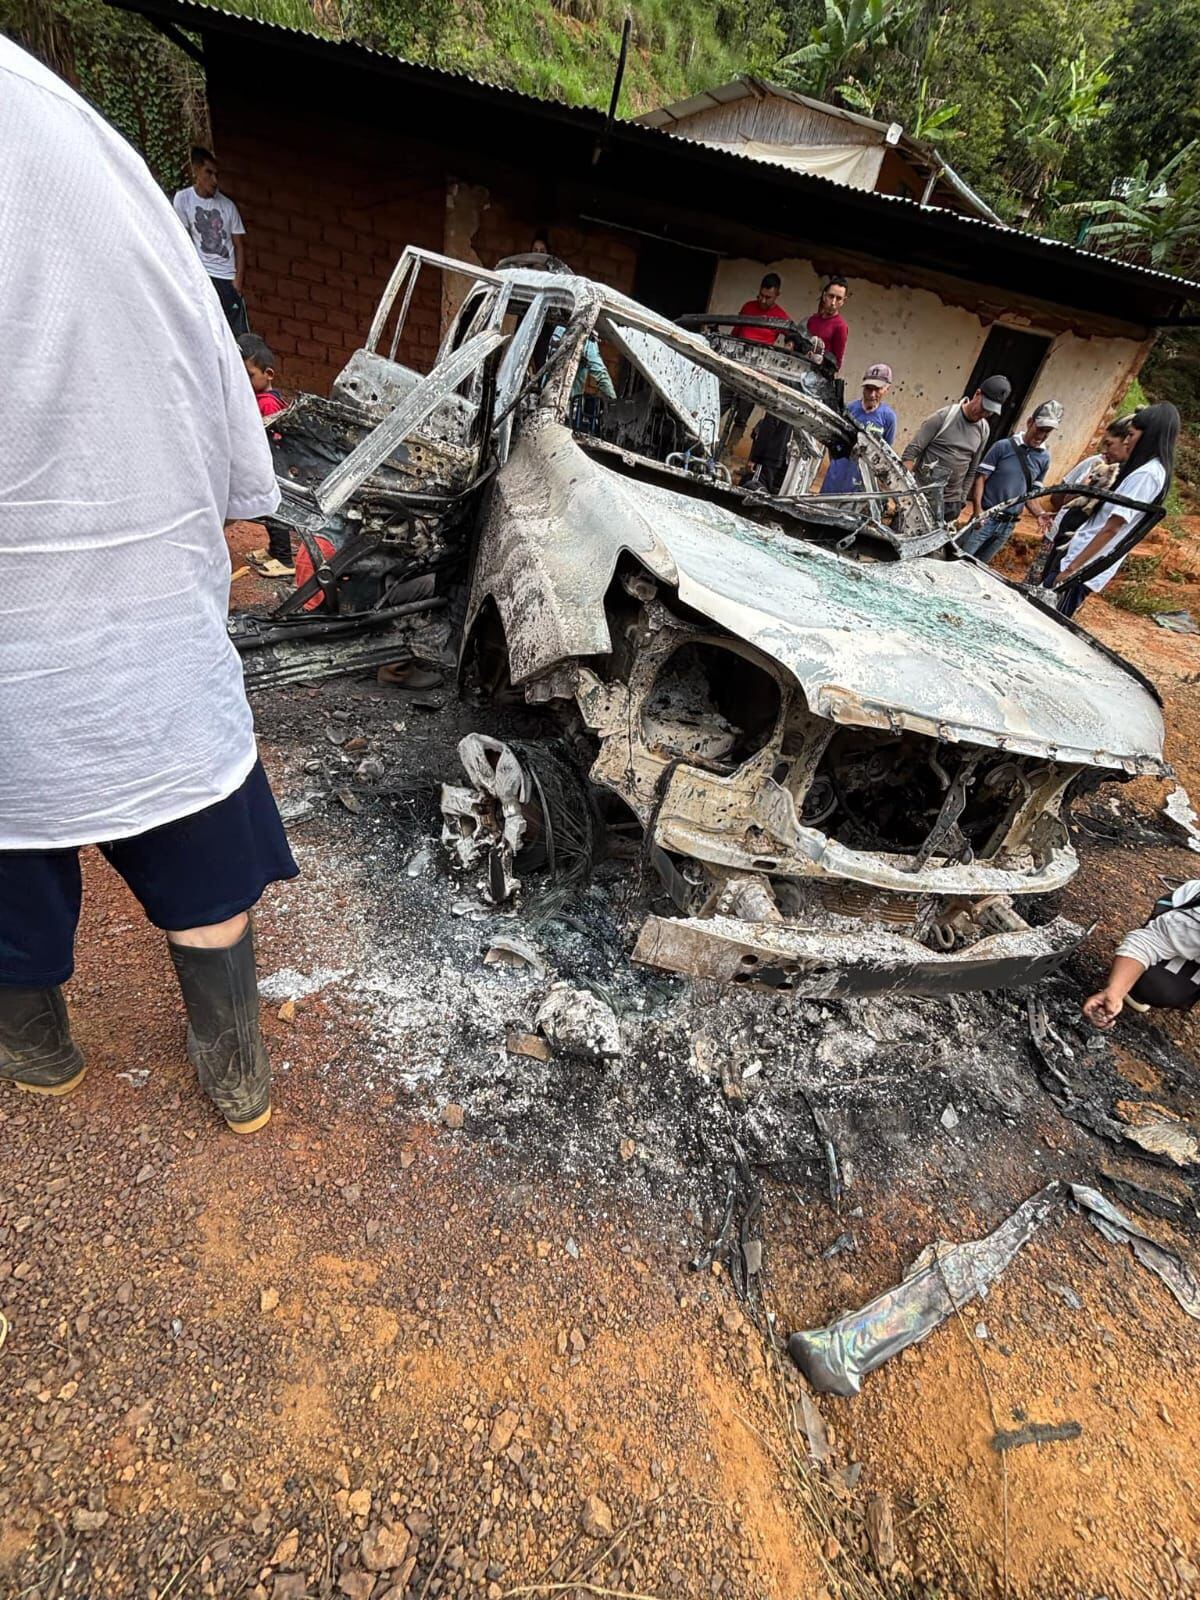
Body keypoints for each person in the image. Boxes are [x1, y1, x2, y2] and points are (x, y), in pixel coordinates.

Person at [0, 37, 297, 1131]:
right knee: (196, 831)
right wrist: (238, 501)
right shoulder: (87, 141)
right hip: (142, 591)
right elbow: (238, 462)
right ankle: (234, 1066)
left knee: (9, 842)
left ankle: (34, 1046)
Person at [1050, 402, 1179, 618]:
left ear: (1149, 436)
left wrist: (1071, 570)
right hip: (1077, 560)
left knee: (1047, 619)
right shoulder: (1147, 471)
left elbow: (1111, 528)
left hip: (1081, 568)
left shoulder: (1147, 475)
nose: (1127, 441)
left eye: (1131, 435)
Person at [1028, 416, 1135, 586]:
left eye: (1109, 444)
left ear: (1126, 442)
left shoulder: (1125, 477)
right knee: (1036, 582)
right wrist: (1083, 489)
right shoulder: (1095, 463)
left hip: (1079, 545)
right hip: (1060, 534)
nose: (1104, 449)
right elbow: (1060, 497)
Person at [959, 399, 1063, 564]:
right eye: (1040, 429)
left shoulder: (1044, 458)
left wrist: (1040, 513)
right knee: (959, 560)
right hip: (987, 518)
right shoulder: (1003, 446)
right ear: (1030, 422)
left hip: (1008, 525)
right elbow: (980, 479)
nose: (1041, 435)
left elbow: (1031, 494)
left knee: (978, 568)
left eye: (1047, 431)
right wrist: (978, 510)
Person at [1083, 881, 1200, 1027]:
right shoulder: (1192, 921)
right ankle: (1134, 986)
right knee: (1157, 988)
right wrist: (1115, 991)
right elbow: (1150, 943)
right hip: (1182, 916)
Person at [901, 376, 1012, 522]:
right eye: (983, 408)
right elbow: (910, 454)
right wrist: (907, 495)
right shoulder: (943, 418)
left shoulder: (984, 429)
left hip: (950, 504)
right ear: (977, 394)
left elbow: (972, 469)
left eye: (989, 412)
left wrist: (961, 500)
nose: (983, 414)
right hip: (921, 497)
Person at [173, 145, 249, 335]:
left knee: (235, 337)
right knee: (204, 331)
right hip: (203, 275)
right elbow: (183, 240)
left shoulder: (228, 206)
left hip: (227, 278)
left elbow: (239, 245)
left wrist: (237, 282)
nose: (214, 181)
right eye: (209, 173)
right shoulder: (183, 200)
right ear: (196, 171)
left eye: (217, 175)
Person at [726, 274, 791, 451]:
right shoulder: (748, 307)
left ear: (777, 294)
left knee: (742, 417)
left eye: (768, 297)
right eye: (760, 295)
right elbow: (735, 333)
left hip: (756, 375)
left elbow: (791, 340)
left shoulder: (781, 317)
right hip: (734, 366)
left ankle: (728, 451)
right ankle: (705, 444)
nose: (762, 300)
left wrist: (786, 352)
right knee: (717, 404)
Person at [820, 362, 897, 497]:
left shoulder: (888, 417)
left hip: (861, 481)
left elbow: (885, 453)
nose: (872, 394)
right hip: (837, 475)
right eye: (868, 388)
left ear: (887, 389)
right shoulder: (849, 409)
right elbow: (833, 442)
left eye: (877, 389)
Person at [806, 276, 850, 372]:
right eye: (831, 296)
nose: (833, 302)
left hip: (819, 376)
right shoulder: (813, 319)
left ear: (843, 301)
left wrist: (822, 360)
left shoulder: (840, 326)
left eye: (838, 298)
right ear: (824, 296)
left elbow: (837, 363)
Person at [239, 333, 287, 419]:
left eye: (249, 375)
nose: (244, 381)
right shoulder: (255, 401)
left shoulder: (268, 404)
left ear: (269, 374)